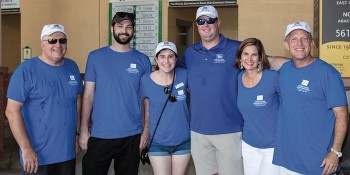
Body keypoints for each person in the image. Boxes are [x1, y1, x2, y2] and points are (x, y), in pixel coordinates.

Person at [79, 12, 152, 175]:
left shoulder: (142, 60)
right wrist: (83, 130)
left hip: (132, 135)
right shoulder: (95, 57)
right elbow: (88, 95)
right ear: (112, 28)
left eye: (128, 27)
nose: (124, 30)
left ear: (133, 30)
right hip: (100, 133)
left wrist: (146, 130)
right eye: (120, 26)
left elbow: (147, 100)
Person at [5, 24, 83, 175]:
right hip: (37, 157)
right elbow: (11, 111)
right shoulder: (26, 70)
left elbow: (78, 99)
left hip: (67, 153)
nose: (58, 45)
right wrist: (26, 148)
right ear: (42, 44)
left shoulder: (72, 67)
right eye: (52, 40)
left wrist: (77, 134)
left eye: (62, 40)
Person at [272, 21, 349, 175]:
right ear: (286, 45)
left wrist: (335, 152)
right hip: (287, 160)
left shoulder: (328, 73)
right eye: (294, 39)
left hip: (319, 163)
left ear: (312, 44)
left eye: (304, 38)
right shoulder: (284, 71)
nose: (299, 43)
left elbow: (342, 115)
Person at [177, 5, 244, 175]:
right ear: (197, 24)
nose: (205, 24)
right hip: (198, 130)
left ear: (218, 22)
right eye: (201, 21)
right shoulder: (190, 53)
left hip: (229, 129)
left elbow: (262, 61)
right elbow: (170, 71)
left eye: (210, 20)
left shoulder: (237, 48)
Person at [140, 41, 191, 175]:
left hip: (183, 139)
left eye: (170, 56)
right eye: (162, 56)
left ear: (176, 58)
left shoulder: (185, 75)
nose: (166, 61)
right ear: (156, 59)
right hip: (158, 140)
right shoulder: (146, 80)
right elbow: (147, 110)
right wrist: (145, 131)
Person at [234, 38, 280, 175]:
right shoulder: (239, 77)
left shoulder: (272, 77)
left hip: (272, 146)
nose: (249, 58)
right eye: (246, 54)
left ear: (260, 57)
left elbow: (289, 104)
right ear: (240, 57)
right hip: (249, 145)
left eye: (254, 54)